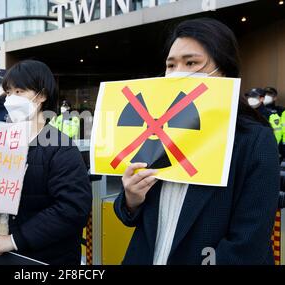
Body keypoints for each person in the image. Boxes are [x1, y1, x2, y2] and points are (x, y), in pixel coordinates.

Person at [114, 18, 280, 265]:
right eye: (171, 65)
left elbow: (247, 244)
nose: (178, 73)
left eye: (191, 62)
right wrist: (131, 199)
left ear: (224, 70)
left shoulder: (254, 141)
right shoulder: (156, 132)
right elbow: (129, 215)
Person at [0, 60, 92, 265]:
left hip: (41, 259)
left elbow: (73, 209)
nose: (11, 99)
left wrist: (15, 239)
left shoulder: (61, 148)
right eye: (9, 92)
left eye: (19, 91)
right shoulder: (0, 144)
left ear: (42, 95)